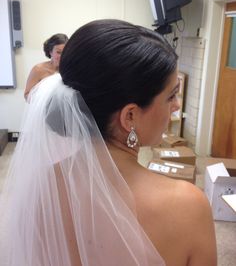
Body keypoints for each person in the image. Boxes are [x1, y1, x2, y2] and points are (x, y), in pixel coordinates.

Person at [0, 20, 217, 266]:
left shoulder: (40, 188)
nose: (176, 106)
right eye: (171, 96)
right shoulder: (187, 206)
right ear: (130, 116)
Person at [24, 33, 68, 100]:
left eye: (65, 52)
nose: (62, 56)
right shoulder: (38, 69)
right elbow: (27, 95)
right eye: (58, 52)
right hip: (44, 109)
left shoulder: (70, 69)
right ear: (50, 52)